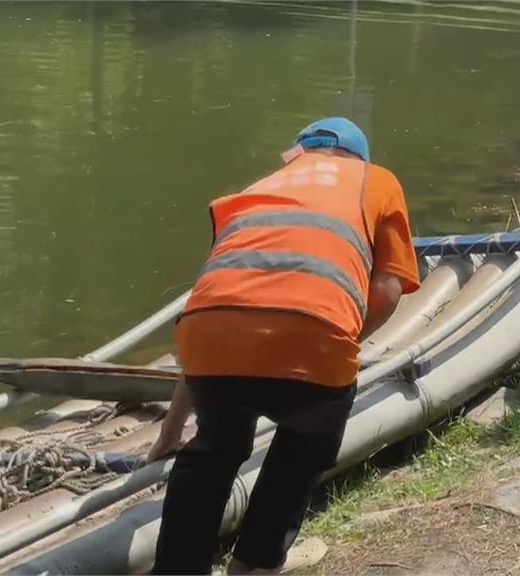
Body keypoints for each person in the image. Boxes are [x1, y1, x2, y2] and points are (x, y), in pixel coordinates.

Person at [147, 117, 420, 575]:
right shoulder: (378, 181)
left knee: (214, 450)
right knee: (303, 446)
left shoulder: (256, 191)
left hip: (208, 335)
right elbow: (389, 289)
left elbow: (220, 309)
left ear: (296, 154)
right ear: (360, 158)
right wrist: (337, 340)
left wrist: (169, 437)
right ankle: (253, 564)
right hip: (315, 337)